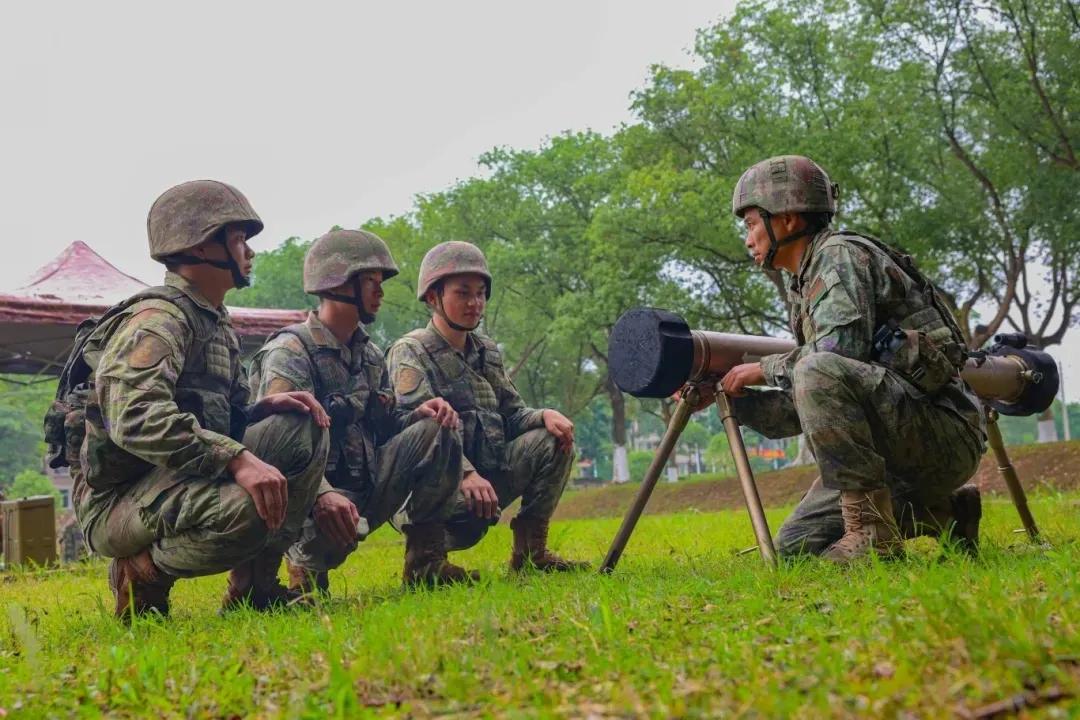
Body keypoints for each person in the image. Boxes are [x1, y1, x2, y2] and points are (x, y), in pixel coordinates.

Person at [73, 180, 330, 619]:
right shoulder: (159, 320)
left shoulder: (214, 322)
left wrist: (260, 411)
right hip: (117, 500)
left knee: (303, 425)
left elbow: (216, 415)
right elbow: (134, 416)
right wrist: (236, 459)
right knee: (248, 507)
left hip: (174, 479)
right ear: (200, 246)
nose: (249, 251)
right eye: (238, 239)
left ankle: (255, 588)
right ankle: (141, 576)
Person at [714, 155, 985, 562]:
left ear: (787, 219)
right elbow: (809, 408)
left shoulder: (837, 257)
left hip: (941, 433)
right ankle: (945, 514)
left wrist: (761, 368)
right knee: (795, 550)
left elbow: (831, 361)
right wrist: (732, 397)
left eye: (752, 223)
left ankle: (873, 532)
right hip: (890, 450)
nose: (748, 238)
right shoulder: (802, 285)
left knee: (815, 366)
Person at [250, 229, 468, 590]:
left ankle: (426, 563)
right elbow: (278, 448)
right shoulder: (290, 351)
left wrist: (420, 415)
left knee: (438, 429)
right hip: (311, 501)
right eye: (370, 282)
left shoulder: (369, 354)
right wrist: (321, 494)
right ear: (338, 283)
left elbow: (385, 425)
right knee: (322, 540)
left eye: (380, 282)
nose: (380, 292)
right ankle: (301, 573)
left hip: (365, 487)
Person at [386, 241, 587, 573]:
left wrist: (544, 415)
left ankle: (531, 555)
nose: (474, 303)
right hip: (430, 494)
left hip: (485, 483)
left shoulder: (486, 351)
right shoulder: (410, 351)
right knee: (432, 428)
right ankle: (426, 563)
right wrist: (465, 473)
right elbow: (418, 431)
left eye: (480, 293)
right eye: (463, 293)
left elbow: (512, 415)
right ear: (434, 298)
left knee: (554, 439)